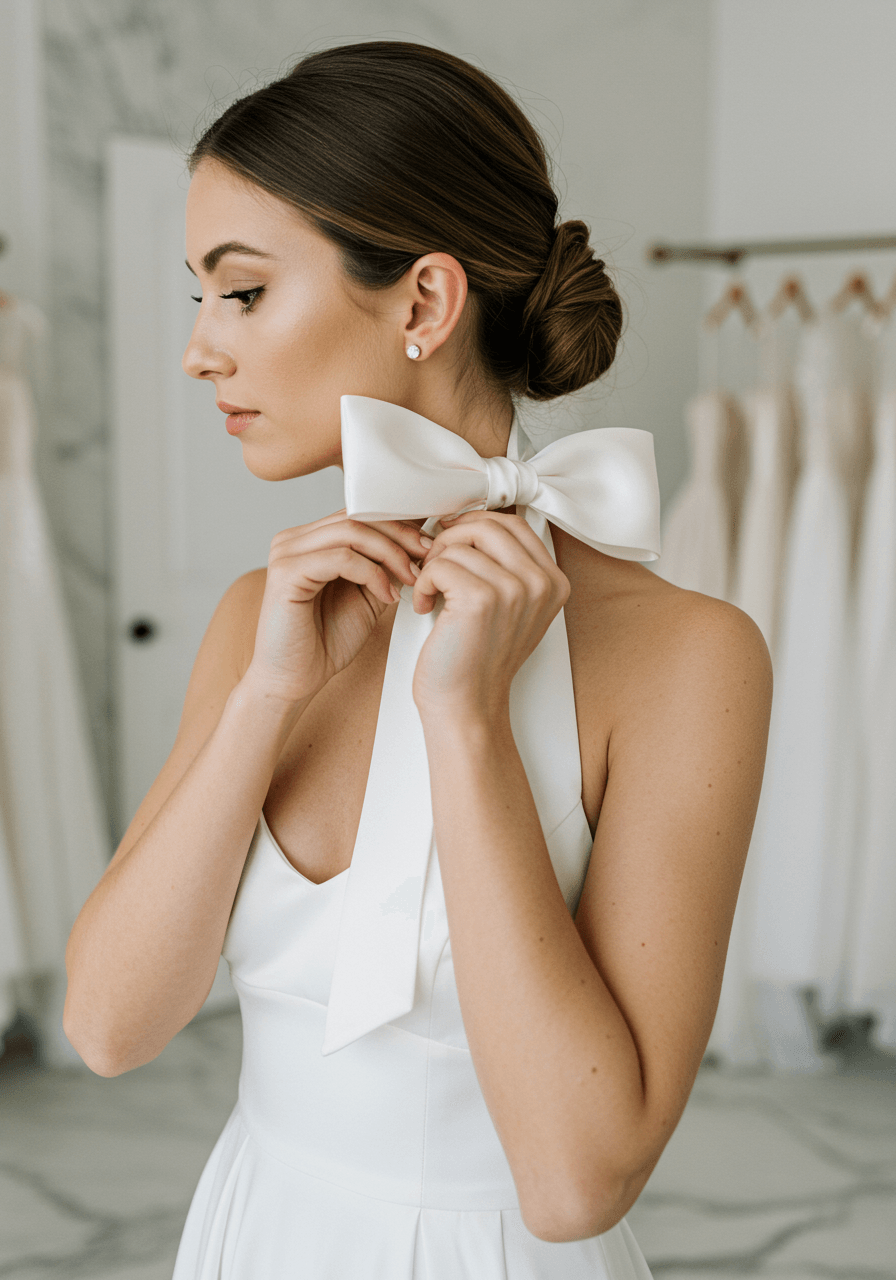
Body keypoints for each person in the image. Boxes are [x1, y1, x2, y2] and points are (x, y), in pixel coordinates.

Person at [63, 41, 772, 1279]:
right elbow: (109, 1028)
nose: (199, 350)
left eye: (241, 293)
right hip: (252, 1233)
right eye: (200, 297)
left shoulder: (686, 657)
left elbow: (574, 1180)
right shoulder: (260, 620)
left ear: (423, 304)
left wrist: (467, 723)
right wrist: (267, 696)